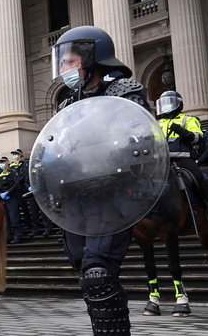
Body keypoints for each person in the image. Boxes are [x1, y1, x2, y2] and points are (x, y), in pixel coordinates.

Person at [52, 25, 150, 335]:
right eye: (62, 62)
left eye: (69, 62)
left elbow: (142, 137)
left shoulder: (125, 92)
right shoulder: (67, 104)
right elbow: (58, 147)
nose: (64, 69)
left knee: (99, 272)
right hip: (76, 196)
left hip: (112, 193)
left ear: (92, 58)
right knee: (88, 273)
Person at [156, 90, 205, 200]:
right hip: (162, 160)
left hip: (183, 158)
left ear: (178, 103)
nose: (166, 106)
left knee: (199, 179)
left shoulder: (188, 119)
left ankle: (203, 204)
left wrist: (182, 132)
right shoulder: (157, 123)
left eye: (169, 103)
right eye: (163, 103)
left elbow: (198, 138)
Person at [0, 156, 23, 244]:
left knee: (14, 218)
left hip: (12, 197)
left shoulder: (12, 172)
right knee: (6, 219)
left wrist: (7, 192)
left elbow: (16, 184)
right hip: (4, 199)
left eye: (3, 162)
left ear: (7, 162)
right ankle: (8, 236)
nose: (1, 164)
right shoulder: (0, 175)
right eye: (0, 162)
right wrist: (0, 194)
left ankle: (18, 236)